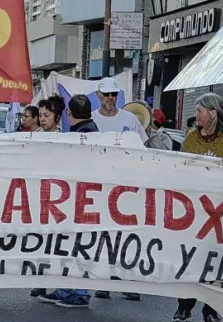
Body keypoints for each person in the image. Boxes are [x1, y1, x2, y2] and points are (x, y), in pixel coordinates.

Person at [173, 93, 223, 322]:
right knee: (192, 258)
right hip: (196, 211)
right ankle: (184, 305)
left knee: (218, 260)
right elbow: (179, 168)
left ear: (213, 113)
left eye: (199, 110)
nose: (195, 115)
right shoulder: (191, 137)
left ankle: (212, 310)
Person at [35, 95, 98, 308]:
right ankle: (68, 289)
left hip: (79, 200)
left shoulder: (81, 135)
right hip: (79, 198)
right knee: (71, 245)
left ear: (69, 113)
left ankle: (79, 292)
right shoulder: (89, 132)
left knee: (77, 245)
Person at [92, 77, 147, 142]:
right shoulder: (90, 119)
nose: (110, 97)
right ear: (98, 94)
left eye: (114, 94)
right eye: (106, 94)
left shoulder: (130, 119)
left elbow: (144, 142)